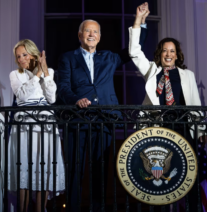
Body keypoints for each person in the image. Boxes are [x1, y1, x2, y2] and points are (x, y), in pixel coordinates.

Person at [57, 3, 148, 211]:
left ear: (99, 36)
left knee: (101, 170)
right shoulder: (68, 58)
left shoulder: (108, 57)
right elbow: (62, 87)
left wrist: (139, 21)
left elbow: (134, 49)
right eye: (87, 31)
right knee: (75, 170)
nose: (91, 34)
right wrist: (75, 100)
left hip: (105, 119)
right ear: (80, 35)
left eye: (95, 31)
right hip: (77, 121)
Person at [128, 7, 206, 210]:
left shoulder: (186, 75)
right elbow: (134, 52)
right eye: (165, 50)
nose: (168, 54)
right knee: (160, 182)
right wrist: (138, 20)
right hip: (158, 130)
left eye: (172, 51)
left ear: (177, 55)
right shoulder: (152, 71)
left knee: (188, 177)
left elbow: (195, 105)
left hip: (182, 129)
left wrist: (201, 131)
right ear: (160, 54)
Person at [7, 39, 65, 212]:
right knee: (24, 164)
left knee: (44, 164)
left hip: (45, 126)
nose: (21, 59)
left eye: (24, 55)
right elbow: (23, 97)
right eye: (18, 57)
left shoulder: (49, 72)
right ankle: (23, 209)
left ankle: (40, 208)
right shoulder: (15, 75)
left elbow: (51, 98)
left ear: (34, 54)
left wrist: (45, 73)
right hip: (24, 126)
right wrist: (38, 74)